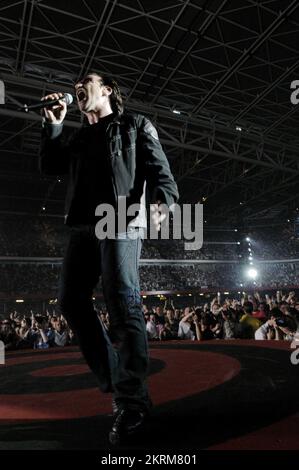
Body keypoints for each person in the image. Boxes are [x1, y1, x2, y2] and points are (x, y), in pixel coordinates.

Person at [39, 72, 179, 444]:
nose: (77, 89)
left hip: (121, 221)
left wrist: (162, 206)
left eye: (86, 82)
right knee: (70, 301)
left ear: (108, 91)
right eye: (75, 89)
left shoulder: (135, 125)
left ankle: (131, 401)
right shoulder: (78, 136)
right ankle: (119, 377)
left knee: (123, 303)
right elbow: (50, 167)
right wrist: (52, 126)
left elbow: (163, 177)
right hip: (83, 226)